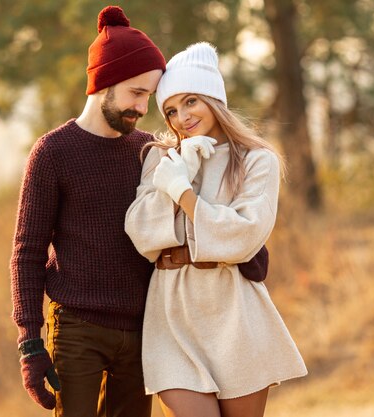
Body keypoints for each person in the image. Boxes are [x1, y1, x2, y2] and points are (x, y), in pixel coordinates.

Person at [11, 6, 270, 417]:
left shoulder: (148, 149)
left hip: (144, 326)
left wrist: (245, 246)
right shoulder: (53, 152)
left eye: (150, 97)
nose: (142, 107)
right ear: (104, 83)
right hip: (78, 327)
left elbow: (185, 217)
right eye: (136, 93)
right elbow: (27, 252)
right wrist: (30, 341)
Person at [125, 43, 308, 417]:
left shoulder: (258, 160)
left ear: (213, 97)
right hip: (172, 312)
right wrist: (181, 171)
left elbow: (243, 236)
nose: (182, 118)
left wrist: (183, 192)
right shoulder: (162, 158)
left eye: (191, 101)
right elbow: (140, 230)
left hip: (234, 313)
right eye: (171, 110)